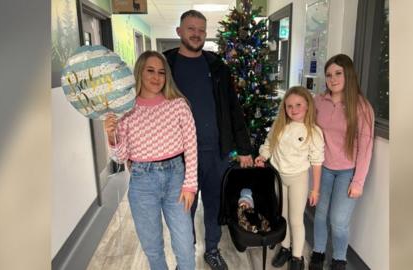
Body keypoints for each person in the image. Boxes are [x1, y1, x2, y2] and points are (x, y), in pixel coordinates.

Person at [163, 9, 254, 270]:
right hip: (178, 155)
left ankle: (212, 250)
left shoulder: (217, 66)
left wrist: (244, 148)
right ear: (179, 31)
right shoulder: (166, 65)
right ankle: (185, 254)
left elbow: (233, 108)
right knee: (183, 210)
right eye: (191, 28)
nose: (196, 34)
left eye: (201, 30)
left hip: (217, 152)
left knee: (215, 204)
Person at [104, 51, 197, 270]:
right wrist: (111, 136)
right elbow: (120, 157)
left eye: (161, 72)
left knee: (185, 247)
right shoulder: (126, 110)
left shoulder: (178, 105)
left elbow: (192, 147)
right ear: (140, 73)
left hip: (176, 177)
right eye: (150, 71)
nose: (156, 77)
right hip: (142, 182)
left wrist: (190, 185)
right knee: (152, 247)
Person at [309, 54, 374, 270]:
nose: (333, 79)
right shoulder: (319, 101)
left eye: (338, 73)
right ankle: (318, 253)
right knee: (319, 215)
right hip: (324, 169)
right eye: (328, 75)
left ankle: (339, 258)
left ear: (349, 74)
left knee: (338, 221)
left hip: (348, 172)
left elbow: (365, 148)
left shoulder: (362, 107)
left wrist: (358, 182)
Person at [254, 86, 324, 270]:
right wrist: (263, 156)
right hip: (279, 177)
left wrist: (315, 189)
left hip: (298, 179)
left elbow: (317, 162)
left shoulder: (313, 132)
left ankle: (297, 257)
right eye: (289, 106)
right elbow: (269, 144)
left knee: (296, 220)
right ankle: (285, 248)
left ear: (308, 105)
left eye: (298, 105)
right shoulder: (280, 126)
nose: (294, 109)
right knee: (282, 217)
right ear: (284, 108)